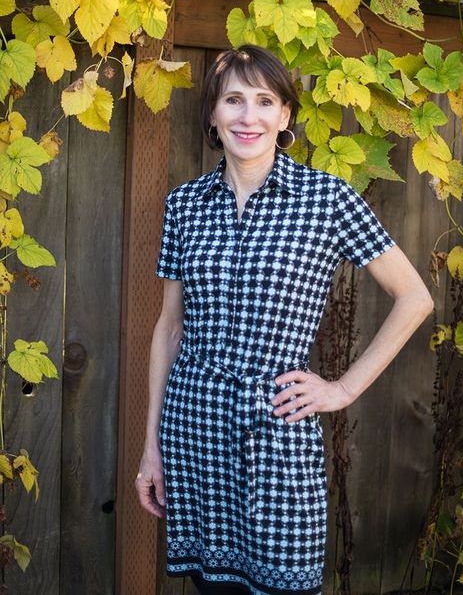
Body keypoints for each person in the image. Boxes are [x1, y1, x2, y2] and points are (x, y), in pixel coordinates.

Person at [135, 44, 434, 595]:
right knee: (213, 586)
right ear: (213, 115)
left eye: (264, 101)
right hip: (193, 426)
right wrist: (151, 445)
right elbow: (169, 327)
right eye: (233, 100)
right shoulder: (184, 205)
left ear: (285, 116)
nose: (249, 116)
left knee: (285, 584)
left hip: (278, 429)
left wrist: (342, 388)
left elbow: (414, 297)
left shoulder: (327, 199)